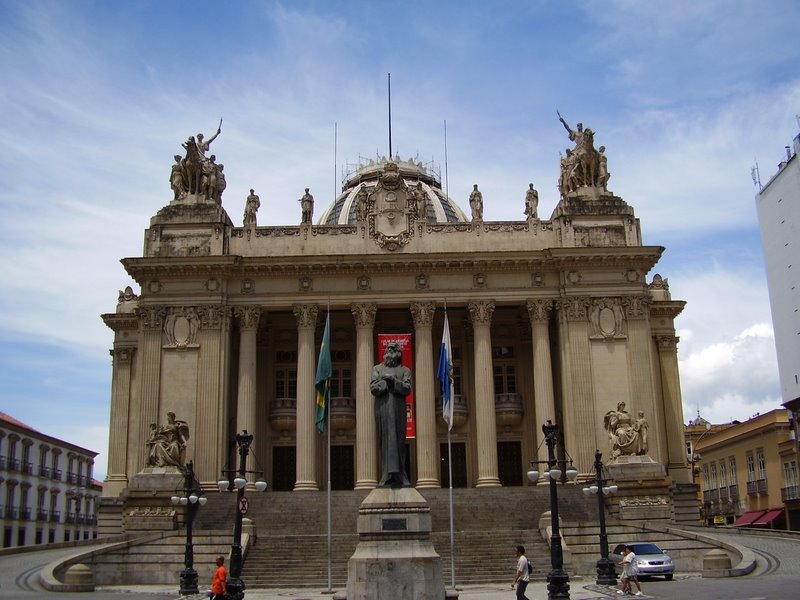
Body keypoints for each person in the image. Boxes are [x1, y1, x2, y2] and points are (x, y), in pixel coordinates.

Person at [370, 341, 412, 487]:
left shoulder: (405, 370)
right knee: (384, 442)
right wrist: (384, 383)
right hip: (382, 410)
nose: (390, 350)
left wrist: (394, 382)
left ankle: (401, 476)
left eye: (393, 348)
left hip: (398, 410)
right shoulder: (377, 369)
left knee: (399, 442)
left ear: (399, 352)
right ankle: (386, 476)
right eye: (388, 348)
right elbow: (373, 387)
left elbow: (407, 388)